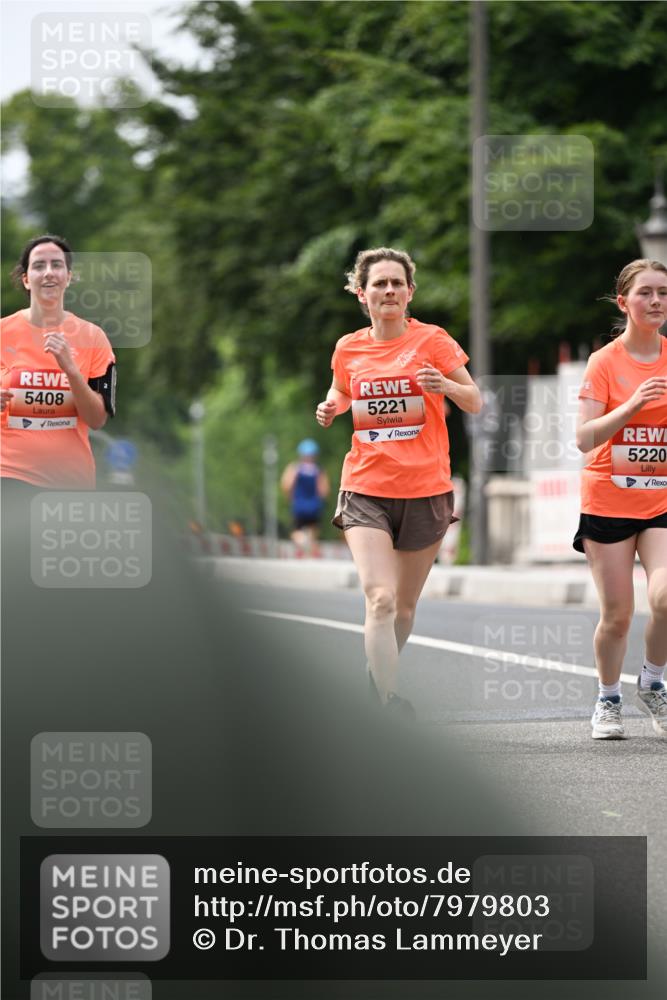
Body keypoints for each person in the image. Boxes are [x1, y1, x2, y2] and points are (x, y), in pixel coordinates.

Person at [315, 247, 481, 719]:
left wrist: (444, 386)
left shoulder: (433, 341)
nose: (388, 291)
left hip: (426, 488)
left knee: (403, 609)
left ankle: (376, 679)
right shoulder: (349, 347)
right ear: (361, 294)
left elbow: (474, 400)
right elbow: (343, 390)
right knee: (380, 598)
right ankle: (384, 708)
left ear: (409, 293)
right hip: (366, 485)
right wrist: (332, 406)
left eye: (396, 284)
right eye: (378, 284)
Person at [575, 259, 667, 739]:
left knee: (666, 595)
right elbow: (584, 438)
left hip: (660, 500)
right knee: (618, 616)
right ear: (624, 302)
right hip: (609, 500)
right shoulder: (605, 362)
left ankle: (653, 682)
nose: (656, 302)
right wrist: (631, 406)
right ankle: (608, 698)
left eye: (664, 294)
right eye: (646, 293)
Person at [0, 235, 116, 493]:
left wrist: (71, 370)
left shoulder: (93, 337)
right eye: (39, 266)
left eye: (57, 265)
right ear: (26, 279)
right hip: (8, 477)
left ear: (69, 277)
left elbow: (97, 419)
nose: (49, 272)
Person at [280, 438, 330, 556]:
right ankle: (311, 552)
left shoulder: (295, 468)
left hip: (299, 505)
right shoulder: (319, 470)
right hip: (314, 506)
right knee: (313, 531)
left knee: (296, 531)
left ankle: (303, 543)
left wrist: (290, 497)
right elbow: (324, 491)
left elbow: (286, 485)